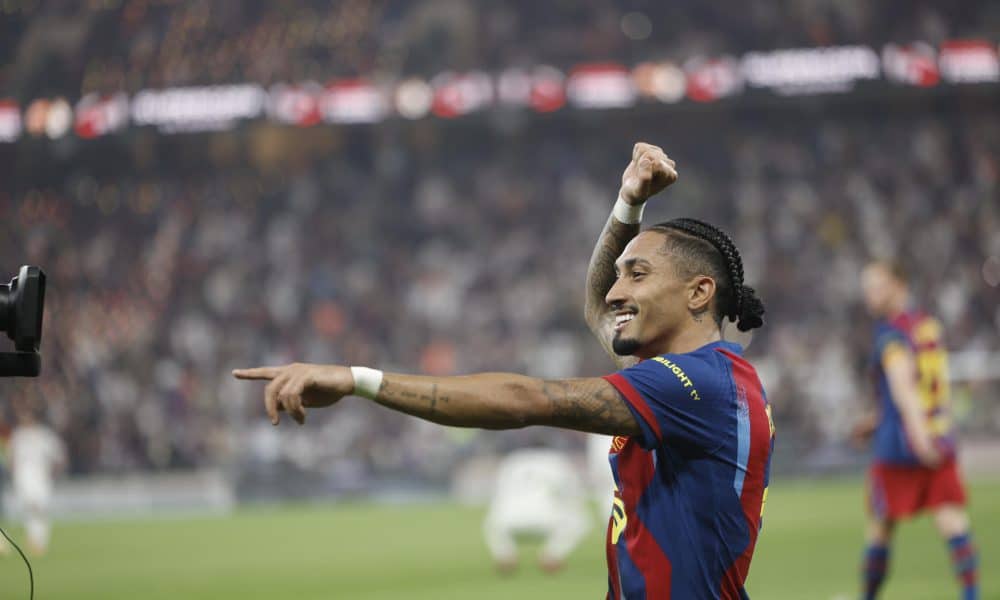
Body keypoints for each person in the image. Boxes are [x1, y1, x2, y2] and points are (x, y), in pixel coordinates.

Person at [234, 142, 773, 598]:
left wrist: (357, 380)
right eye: (618, 275)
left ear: (699, 292)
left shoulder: (696, 386)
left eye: (637, 274)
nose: (615, 291)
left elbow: (525, 400)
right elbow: (594, 306)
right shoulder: (694, 378)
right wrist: (628, 202)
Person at [853, 261, 978, 600]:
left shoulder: (891, 334)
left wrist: (917, 436)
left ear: (898, 285)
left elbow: (905, 389)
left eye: (877, 287)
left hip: (902, 444)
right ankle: (972, 595)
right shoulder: (926, 326)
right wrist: (880, 421)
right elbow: (926, 387)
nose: (870, 295)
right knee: (952, 521)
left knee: (880, 526)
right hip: (937, 436)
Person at [482, 447, 591, 574]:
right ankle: (552, 555)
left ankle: (505, 555)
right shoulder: (556, 460)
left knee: (492, 523)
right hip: (546, 518)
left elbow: (498, 494)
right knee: (581, 521)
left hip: (510, 519)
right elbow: (572, 493)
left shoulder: (512, 461)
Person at [6, 404, 66, 556]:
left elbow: (59, 456)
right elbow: (11, 457)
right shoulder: (18, 435)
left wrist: (53, 474)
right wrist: (14, 472)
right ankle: (34, 540)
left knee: (40, 508)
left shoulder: (45, 435)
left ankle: (39, 540)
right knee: (30, 507)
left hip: (41, 476)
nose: (25, 419)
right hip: (23, 477)